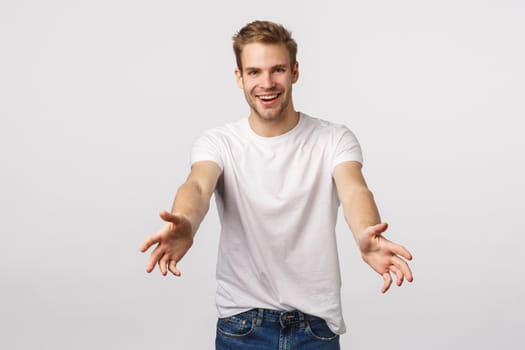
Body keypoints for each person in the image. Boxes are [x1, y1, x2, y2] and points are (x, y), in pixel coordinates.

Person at [140, 20, 413, 350]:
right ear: (239, 77)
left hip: (316, 327)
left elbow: (354, 189)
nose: (266, 83)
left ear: (295, 72)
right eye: (254, 72)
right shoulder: (219, 142)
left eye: (277, 70)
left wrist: (367, 232)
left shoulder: (333, 139)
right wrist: (185, 221)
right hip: (242, 324)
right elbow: (197, 186)